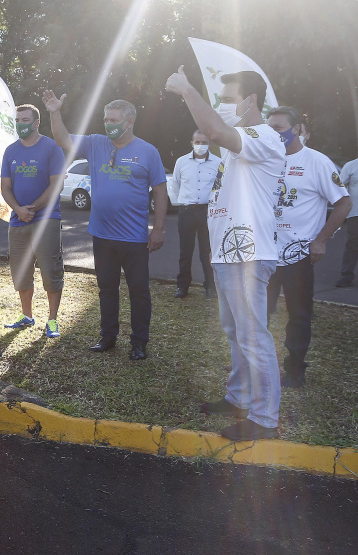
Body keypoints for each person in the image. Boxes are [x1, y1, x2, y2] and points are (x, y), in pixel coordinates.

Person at [165, 67, 286, 441]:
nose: (222, 105)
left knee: (253, 336)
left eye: (228, 99)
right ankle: (239, 398)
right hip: (229, 255)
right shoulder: (241, 144)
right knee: (236, 332)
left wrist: (187, 90)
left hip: (247, 254)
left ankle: (265, 420)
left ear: (251, 101)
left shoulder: (263, 136)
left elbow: (215, 130)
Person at [42, 91, 167, 360]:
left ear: (130, 121)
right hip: (102, 235)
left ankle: (139, 342)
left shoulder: (148, 151)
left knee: (139, 291)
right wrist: (55, 111)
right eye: (105, 118)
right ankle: (108, 337)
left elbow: (159, 190)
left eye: (113, 119)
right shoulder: (96, 143)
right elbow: (62, 139)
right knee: (107, 289)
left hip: (134, 238)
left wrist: (158, 229)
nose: (108, 123)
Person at [266, 107, 351, 388]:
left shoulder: (317, 162)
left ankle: (294, 371)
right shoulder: (265, 160)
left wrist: (321, 240)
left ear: (297, 129)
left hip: (297, 257)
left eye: (278, 128)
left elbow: (344, 204)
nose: (273, 134)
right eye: (270, 129)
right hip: (264, 254)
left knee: (298, 315)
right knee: (258, 314)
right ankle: (258, 365)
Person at [0, 105, 66, 338]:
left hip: (46, 220)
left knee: (51, 271)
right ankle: (26, 316)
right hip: (18, 222)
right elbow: (5, 187)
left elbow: (57, 185)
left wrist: (33, 208)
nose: (20, 124)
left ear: (36, 122)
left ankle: (52, 321)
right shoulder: (11, 151)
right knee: (20, 272)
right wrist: (18, 209)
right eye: (17, 120)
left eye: (25, 119)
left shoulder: (51, 148)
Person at [171, 130, 219, 298]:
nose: (200, 145)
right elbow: (175, 184)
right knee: (185, 251)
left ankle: (210, 286)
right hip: (187, 211)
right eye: (197, 142)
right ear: (191, 143)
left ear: (209, 143)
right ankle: (182, 286)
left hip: (208, 212)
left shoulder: (218, 163)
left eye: (204, 142)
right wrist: (185, 201)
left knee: (207, 251)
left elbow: (221, 188)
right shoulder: (181, 162)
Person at [337, 155, 358, 287]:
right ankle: (346, 276)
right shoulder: (350, 166)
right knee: (352, 244)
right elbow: (339, 187)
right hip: (355, 213)